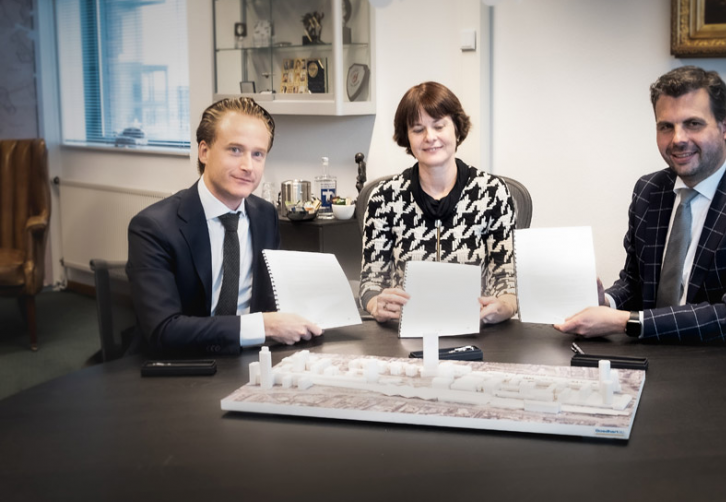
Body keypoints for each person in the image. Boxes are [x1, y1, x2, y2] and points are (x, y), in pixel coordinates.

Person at [555, 66, 726, 350]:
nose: (678, 138)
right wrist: (606, 302)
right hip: (660, 354)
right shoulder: (649, 190)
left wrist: (625, 321)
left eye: (693, 123)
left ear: (725, 127)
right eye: (666, 126)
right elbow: (635, 282)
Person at [128, 97, 322, 356]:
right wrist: (262, 326)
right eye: (235, 150)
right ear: (204, 151)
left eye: (258, 154)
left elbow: (271, 299)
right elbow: (164, 330)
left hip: (253, 358)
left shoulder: (265, 215)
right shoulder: (153, 227)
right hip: (182, 367)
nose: (247, 166)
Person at [360, 82, 518, 324]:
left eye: (439, 126)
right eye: (417, 129)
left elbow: (507, 278)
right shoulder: (385, 198)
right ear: (407, 138)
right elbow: (371, 283)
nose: (429, 137)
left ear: (456, 128)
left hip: (478, 329)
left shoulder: (491, 193)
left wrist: (505, 306)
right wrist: (375, 304)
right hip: (404, 330)